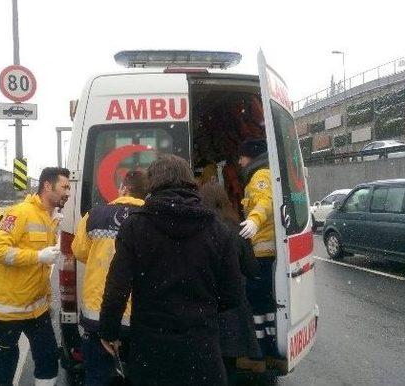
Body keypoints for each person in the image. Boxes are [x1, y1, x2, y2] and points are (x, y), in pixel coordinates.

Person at [99, 154, 244, 386]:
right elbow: (233, 294)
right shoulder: (216, 228)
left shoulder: (136, 226)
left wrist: (108, 330)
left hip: (151, 351)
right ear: (189, 181)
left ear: (153, 183)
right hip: (201, 350)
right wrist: (201, 310)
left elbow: (117, 288)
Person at [0, 167, 71, 386]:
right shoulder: (19, 213)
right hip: (10, 309)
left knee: (49, 358)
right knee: (5, 364)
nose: (68, 192)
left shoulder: (50, 217)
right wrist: (38, 256)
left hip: (37, 308)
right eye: (64, 187)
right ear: (47, 186)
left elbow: (44, 262)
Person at [72, 170, 148, 386]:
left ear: (123, 188)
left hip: (99, 315)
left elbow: (79, 252)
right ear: (145, 194)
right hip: (141, 318)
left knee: (97, 376)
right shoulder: (153, 217)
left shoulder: (94, 215)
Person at [199, 181, 263, 374]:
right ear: (224, 201)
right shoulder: (237, 229)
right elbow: (252, 270)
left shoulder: (197, 228)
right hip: (234, 308)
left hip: (204, 304)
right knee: (230, 363)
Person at [237, 138, 279, 367]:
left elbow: (265, 202)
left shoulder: (260, 176)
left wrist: (253, 220)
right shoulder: (263, 173)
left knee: (255, 302)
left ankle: (258, 352)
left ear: (251, 156)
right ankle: (270, 347)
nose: (239, 162)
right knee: (264, 303)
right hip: (265, 252)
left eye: (242, 157)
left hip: (260, 253)